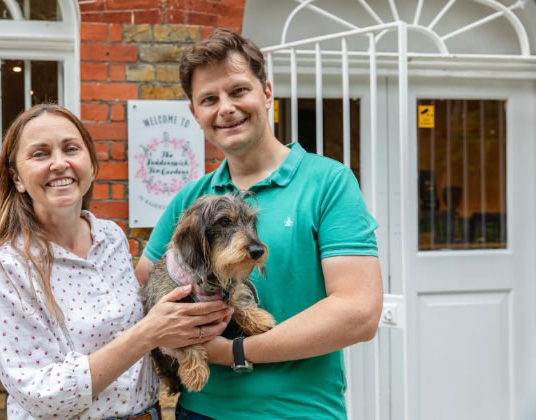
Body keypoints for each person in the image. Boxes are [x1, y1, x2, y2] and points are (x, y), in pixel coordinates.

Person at [135, 29, 383, 419]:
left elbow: (359, 312)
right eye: (209, 99)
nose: (226, 109)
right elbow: (143, 289)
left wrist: (234, 351)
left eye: (238, 91)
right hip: (200, 410)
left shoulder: (328, 183)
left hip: (299, 411)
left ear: (266, 92)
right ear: (194, 112)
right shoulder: (191, 201)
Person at [0, 104, 233, 420]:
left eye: (70, 149)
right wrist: (149, 333)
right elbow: (41, 394)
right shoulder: (5, 266)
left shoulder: (111, 237)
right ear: (17, 178)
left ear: (91, 166)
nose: (59, 163)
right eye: (40, 154)